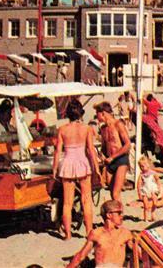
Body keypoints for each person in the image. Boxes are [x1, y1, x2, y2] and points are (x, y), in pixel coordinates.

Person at [53, 99, 99, 240]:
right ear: (80, 113)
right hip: (82, 163)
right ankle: (89, 232)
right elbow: (91, 150)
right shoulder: (86, 129)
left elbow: (58, 151)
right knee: (86, 199)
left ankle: (67, 234)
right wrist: (96, 168)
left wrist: (54, 169)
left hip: (67, 162)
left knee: (67, 202)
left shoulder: (62, 130)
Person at [66, 200, 132, 268]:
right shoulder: (96, 233)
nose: (122, 216)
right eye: (119, 213)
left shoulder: (125, 233)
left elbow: (138, 253)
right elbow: (81, 256)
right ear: (109, 215)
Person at [95, 101, 131, 202]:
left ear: (103, 113)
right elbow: (104, 146)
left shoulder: (118, 124)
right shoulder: (103, 128)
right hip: (110, 162)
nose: (96, 117)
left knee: (115, 193)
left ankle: (120, 216)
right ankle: (118, 214)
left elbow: (127, 144)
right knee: (112, 192)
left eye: (97, 114)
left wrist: (113, 157)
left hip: (120, 159)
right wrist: (102, 155)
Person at [137, 156, 161, 222]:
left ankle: (153, 213)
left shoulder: (153, 173)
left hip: (152, 189)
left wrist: (159, 187)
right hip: (145, 190)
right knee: (146, 205)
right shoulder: (141, 175)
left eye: (144, 165)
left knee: (155, 202)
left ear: (148, 164)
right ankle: (146, 218)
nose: (143, 167)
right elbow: (138, 184)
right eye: (141, 166)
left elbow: (157, 179)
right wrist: (139, 193)